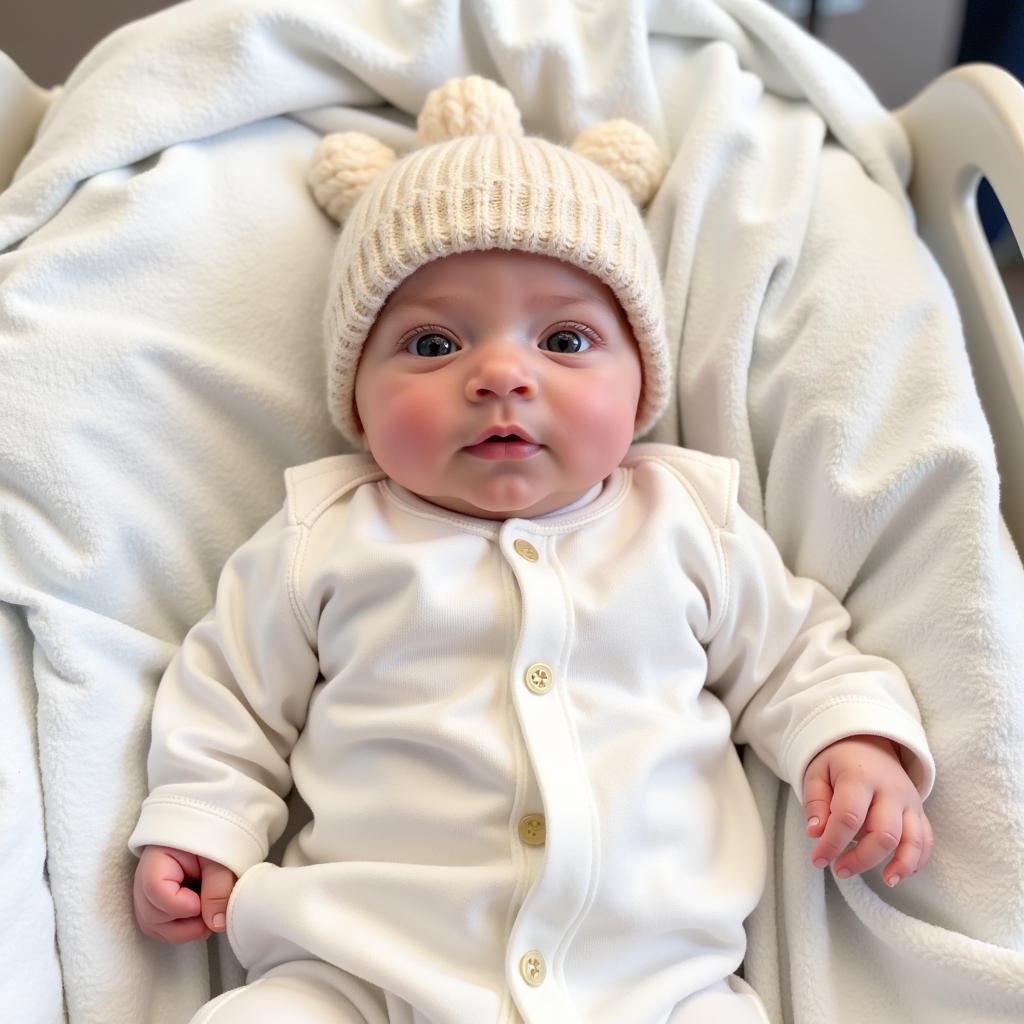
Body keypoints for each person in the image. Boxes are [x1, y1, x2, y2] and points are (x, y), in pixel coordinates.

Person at [129, 76, 934, 1024]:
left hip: (652, 983)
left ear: (641, 392)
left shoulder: (685, 521)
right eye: (432, 343)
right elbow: (229, 694)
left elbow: (798, 654)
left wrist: (853, 740)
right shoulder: (327, 536)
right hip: (363, 968)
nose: (501, 375)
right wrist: (201, 823)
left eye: (564, 338)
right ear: (355, 400)